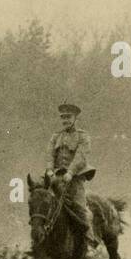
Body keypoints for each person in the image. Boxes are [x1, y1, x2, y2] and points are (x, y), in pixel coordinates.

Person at [49, 102, 97, 248]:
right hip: (56, 178)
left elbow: (81, 157)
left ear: (75, 118)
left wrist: (70, 172)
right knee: (43, 202)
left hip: (75, 179)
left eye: (68, 117)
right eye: (63, 117)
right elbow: (49, 155)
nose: (65, 120)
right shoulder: (56, 136)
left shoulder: (83, 136)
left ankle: (89, 243)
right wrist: (49, 170)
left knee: (80, 208)